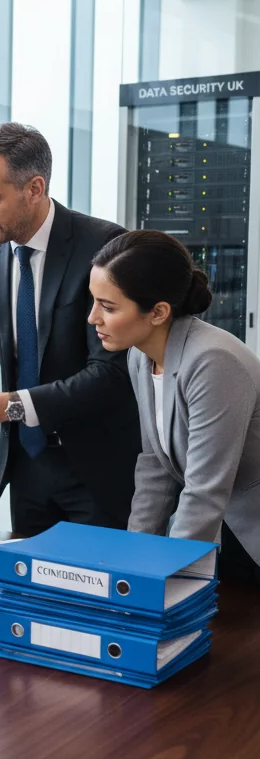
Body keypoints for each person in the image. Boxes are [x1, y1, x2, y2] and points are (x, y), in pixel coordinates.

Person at [0, 122, 141, 536]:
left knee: (98, 598)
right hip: (27, 468)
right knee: (29, 597)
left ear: (34, 189)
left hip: (99, 472)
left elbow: (110, 374)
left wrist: (9, 405)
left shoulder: (106, 247)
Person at [90, 230, 260, 583]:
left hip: (249, 537)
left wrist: (166, 582)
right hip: (218, 531)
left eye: (108, 307)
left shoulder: (212, 360)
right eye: (94, 302)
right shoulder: (140, 356)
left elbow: (204, 491)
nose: (94, 318)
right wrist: (132, 564)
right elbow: (156, 465)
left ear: (158, 312)